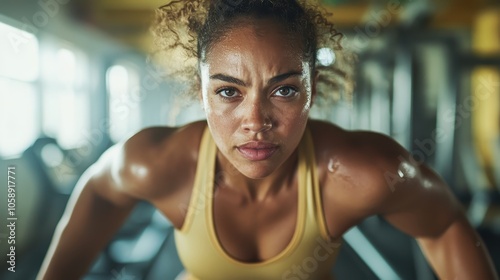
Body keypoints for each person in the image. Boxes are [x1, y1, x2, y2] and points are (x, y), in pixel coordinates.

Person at [38, 0, 498, 279]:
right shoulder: (156, 163)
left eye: (283, 90)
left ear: (312, 88)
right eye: (227, 92)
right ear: (201, 92)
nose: (255, 121)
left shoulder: (361, 173)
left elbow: (442, 224)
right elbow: (99, 190)